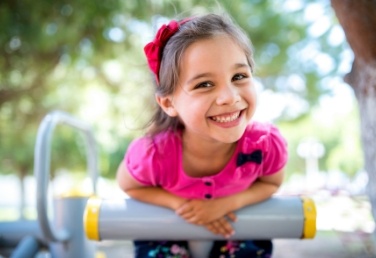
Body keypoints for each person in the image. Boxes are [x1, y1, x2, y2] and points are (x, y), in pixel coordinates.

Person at [116, 12, 288, 258]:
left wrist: (226, 204)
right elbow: (129, 186)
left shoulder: (265, 145)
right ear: (168, 103)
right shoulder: (153, 154)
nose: (229, 97)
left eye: (238, 76)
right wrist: (180, 206)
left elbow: (272, 183)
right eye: (204, 84)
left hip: (234, 228)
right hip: (167, 233)